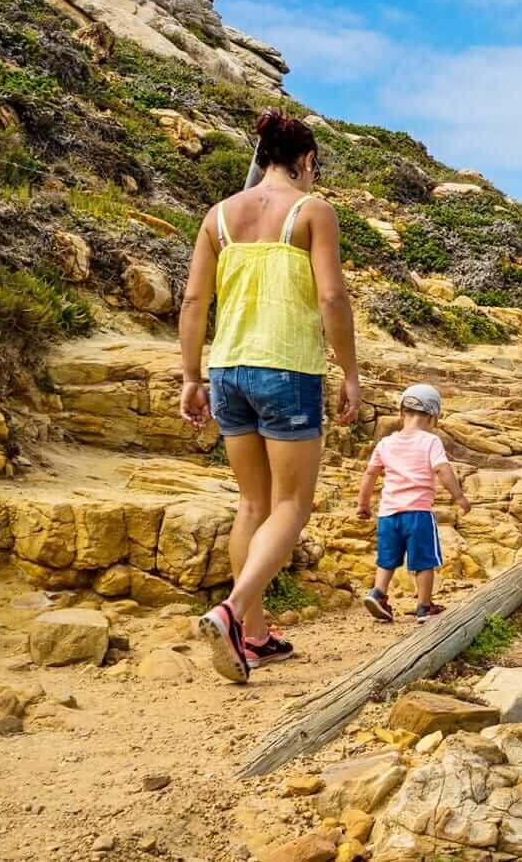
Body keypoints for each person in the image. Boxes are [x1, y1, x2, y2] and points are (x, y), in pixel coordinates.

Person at [179, 108, 361, 683]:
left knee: (252, 505)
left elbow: (192, 302)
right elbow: (332, 300)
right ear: (306, 161)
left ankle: (254, 636)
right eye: (316, 166)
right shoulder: (313, 211)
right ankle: (232, 613)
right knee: (291, 507)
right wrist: (350, 373)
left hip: (228, 369)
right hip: (285, 370)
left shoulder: (218, 216)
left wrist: (190, 376)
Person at [356, 384, 472, 624]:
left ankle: (378, 593)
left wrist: (363, 504)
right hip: (418, 513)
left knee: (386, 560)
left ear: (401, 413)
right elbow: (442, 469)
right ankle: (424, 606)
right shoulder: (430, 441)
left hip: (388, 514)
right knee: (424, 561)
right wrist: (459, 497)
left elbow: (370, 474)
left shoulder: (385, 443)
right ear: (433, 417)